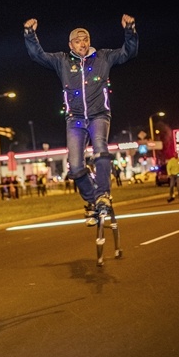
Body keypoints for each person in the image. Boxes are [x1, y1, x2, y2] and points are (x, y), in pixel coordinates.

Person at [23, 14, 138, 226]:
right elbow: (37, 56)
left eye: (85, 39)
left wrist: (129, 30)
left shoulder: (103, 57)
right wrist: (30, 35)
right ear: (71, 45)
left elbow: (128, 52)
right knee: (75, 167)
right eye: (77, 40)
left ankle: (104, 194)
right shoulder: (62, 61)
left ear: (89, 41)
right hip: (74, 119)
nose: (82, 43)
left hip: (98, 115)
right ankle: (94, 202)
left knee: (100, 150)